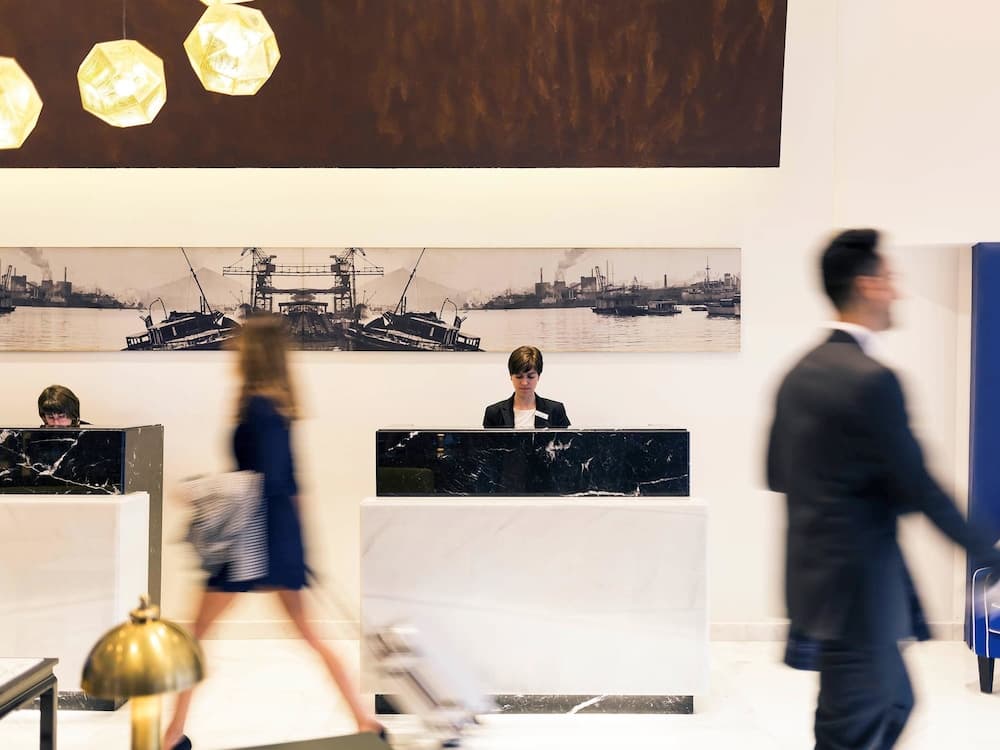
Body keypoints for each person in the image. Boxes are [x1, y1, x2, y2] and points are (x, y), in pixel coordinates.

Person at [766, 228, 1000, 749]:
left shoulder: (797, 374)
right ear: (867, 285)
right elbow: (919, 487)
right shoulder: (871, 379)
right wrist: (988, 552)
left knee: (892, 703)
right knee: (853, 728)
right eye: (891, 279)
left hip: (821, 585)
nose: (898, 292)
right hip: (856, 593)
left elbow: (778, 472)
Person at [164, 316, 383, 750]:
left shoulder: (259, 408)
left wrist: (200, 490)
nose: (232, 348)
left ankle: (171, 737)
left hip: (248, 541)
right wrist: (298, 549)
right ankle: (366, 724)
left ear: (253, 352)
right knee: (307, 634)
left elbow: (265, 481)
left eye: (239, 343)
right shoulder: (277, 407)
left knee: (195, 635)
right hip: (274, 537)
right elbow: (290, 484)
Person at [483, 345, 570, 429]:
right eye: (519, 377)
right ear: (511, 376)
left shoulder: (555, 410)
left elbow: (565, 439)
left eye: (530, 377)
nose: (524, 382)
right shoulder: (494, 413)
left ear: (538, 376)